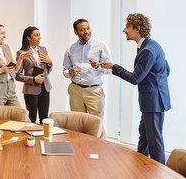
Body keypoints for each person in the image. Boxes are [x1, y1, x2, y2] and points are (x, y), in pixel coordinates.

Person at [101, 13, 170, 164]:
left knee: (154, 142)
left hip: (154, 102)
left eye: (127, 27)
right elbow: (167, 70)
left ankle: (161, 173)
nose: (124, 30)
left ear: (137, 28)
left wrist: (114, 67)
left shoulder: (147, 50)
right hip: (151, 100)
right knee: (144, 136)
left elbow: (135, 78)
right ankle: (141, 167)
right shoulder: (150, 45)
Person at [63, 19, 112, 119]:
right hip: (75, 89)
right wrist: (69, 72)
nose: (86, 32)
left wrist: (98, 66)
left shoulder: (101, 46)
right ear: (75, 32)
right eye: (82, 30)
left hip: (94, 90)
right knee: (77, 122)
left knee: (96, 124)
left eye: (88, 28)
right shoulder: (70, 49)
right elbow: (65, 71)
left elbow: (109, 70)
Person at [0, 23, 30, 106]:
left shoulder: (8, 48)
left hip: (11, 90)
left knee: (20, 116)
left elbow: (15, 70)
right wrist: (0, 70)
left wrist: (20, 59)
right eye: (1, 33)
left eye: (5, 33)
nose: (5, 36)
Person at [15, 27, 53, 123]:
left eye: (39, 35)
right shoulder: (21, 53)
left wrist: (50, 63)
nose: (39, 37)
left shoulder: (43, 49)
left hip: (45, 87)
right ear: (28, 37)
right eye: (36, 35)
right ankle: (31, 138)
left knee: (45, 119)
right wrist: (33, 79)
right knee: (31, 118)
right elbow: (18, 75)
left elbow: (47, 72)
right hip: (31, 90)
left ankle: (44, 137)